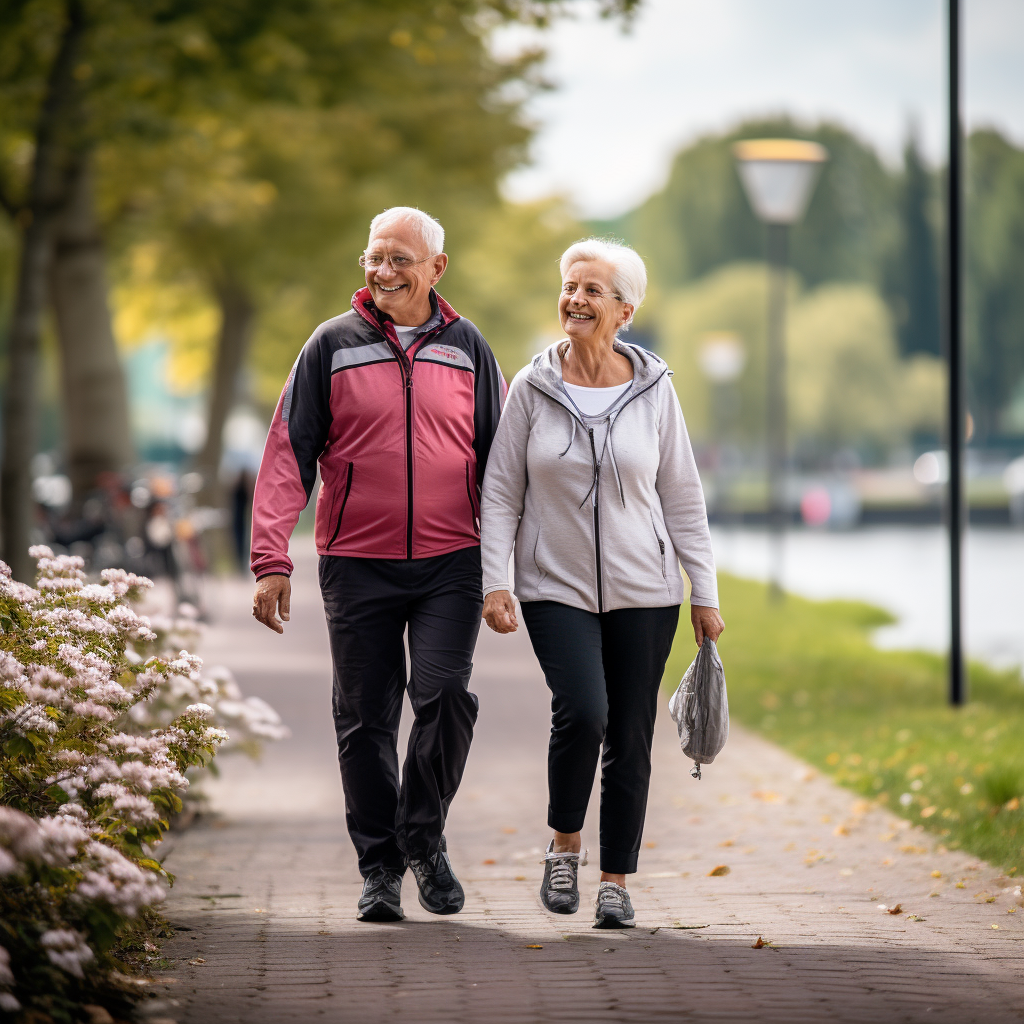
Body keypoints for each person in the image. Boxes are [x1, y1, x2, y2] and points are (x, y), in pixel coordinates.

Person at [250, 207, 505, 923]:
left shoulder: (468, 348)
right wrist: (272, 558)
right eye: (374, 257)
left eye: (400, 259)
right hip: (356, 562)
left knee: (447, 695)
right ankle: (380, 869)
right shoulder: (331, 345)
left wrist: (510, 566)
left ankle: (421, 837)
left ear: (436, 269)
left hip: (453, 559)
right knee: (365, 717)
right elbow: (286, 454)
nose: (383, 271)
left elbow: (502, 463)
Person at [480, 238, 724, 929]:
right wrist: (494, 581)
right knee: (583, 710)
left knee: (630, 731)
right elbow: (500, 492)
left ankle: (615, 879)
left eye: (592, 291)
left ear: (625, 309)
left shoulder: (655, 388)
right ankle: (564, 846)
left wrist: (703, 592)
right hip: (552, 585)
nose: (575, 300)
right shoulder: (531, 387)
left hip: (646, 591)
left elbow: (682, 496)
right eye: (569, 287)